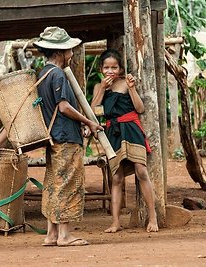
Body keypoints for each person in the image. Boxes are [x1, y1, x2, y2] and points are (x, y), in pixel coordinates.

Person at [33, 26, 103, 246]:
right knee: (68, 184)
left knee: (54, 183)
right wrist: (88, 121)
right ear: (59, 52)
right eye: (69, 50)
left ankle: (51, 234)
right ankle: (64, 235)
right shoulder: (58, 74)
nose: (71, 53)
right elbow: (63, 107)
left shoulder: (42, 74)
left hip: (53, 136)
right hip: (65, 138)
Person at [90, 48, 159, 233]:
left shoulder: (126, 83)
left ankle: (153, 217)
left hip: (131, 129)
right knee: (117, 178)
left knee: (141, 170)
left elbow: (140, 108)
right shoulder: (99, 87)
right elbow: (92, 111)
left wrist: (132, 88)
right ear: (101, 68)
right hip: (113, 132)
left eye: (114, 67)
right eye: (106, 67)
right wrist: (102, 90)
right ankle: (115, 222)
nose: (110, 71)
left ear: (120, 69)